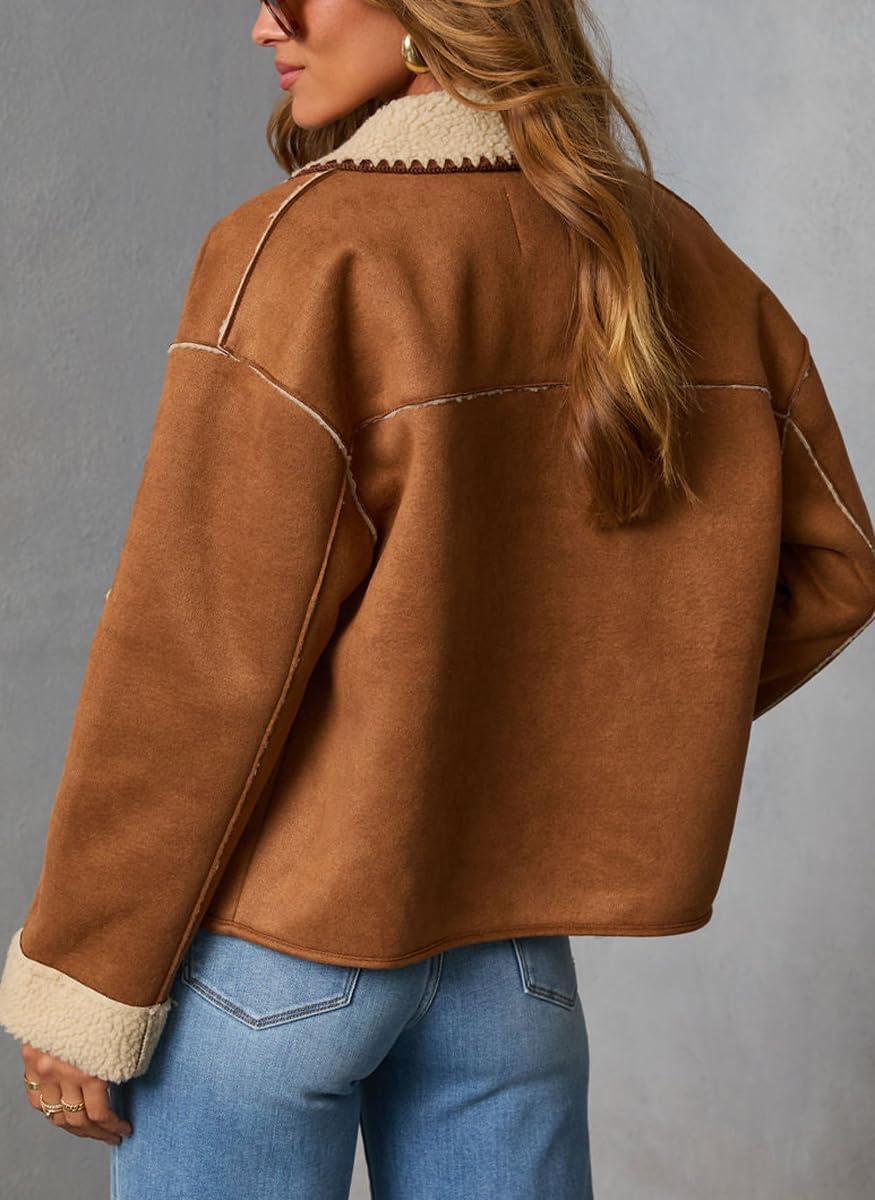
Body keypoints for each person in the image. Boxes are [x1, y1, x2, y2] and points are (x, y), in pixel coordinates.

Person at [2, 1, 874, 1196]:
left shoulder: (308, 250)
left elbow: (194, 656)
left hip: (267, 962)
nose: (260, 25)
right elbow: (834, 564)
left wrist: (86, 974)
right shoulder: (660, 246)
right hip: (507, 968)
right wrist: (563, 750)